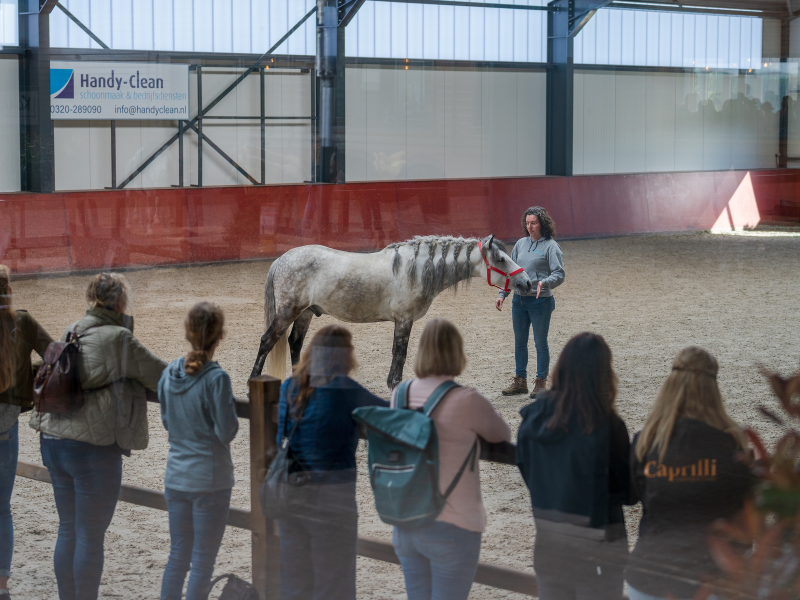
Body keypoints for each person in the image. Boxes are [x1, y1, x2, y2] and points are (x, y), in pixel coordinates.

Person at [30, 272, 166, 600]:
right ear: (120, 302)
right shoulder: (119, 338)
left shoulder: (73, 329)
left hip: (53, 439)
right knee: (90, 536)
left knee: (68, 529)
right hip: (91, 449)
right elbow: (162, 376)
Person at [391, 318, 512, 600]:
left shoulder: (400, 394)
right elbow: (502, 434)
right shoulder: (467, 400)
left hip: (407, 520)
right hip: (452, 525)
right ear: (457, 352)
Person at [626, 347, 754, 600]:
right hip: (712, 576)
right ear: (713, 388)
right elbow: (745, 513)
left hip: (650, 574)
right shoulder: (732, 445)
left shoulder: (646, 442)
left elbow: (634, 495)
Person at [516, 332, 632, 600]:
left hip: (550, 540)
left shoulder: (532, 420)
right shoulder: (607, 424)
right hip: (600, 546)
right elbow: (628, 492)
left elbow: (527, 470)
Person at [274, 324, 387, 600]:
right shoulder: (345, 389)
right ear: (344, 356)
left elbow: (280, 440)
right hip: (332, 497)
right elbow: (389, 415)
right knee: (334, 585)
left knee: (294, 583)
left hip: (290, 493)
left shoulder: (289, 386)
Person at [159, 302, 239, 600]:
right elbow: (226, 432)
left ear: (188, 333)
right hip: (209, 479)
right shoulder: (217, 378)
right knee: (202, 563)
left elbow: (167, 421)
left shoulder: (169, 372)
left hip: (176, 477)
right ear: (220, 336)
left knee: (177, 557)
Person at [0, 265, 53, 599]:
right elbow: (57, 356)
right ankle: (1, 586)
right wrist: (26, 373)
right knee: (2, 510)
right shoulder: (22, 322)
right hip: (4, 428)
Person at [497, 206, 565, 399]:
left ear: (542, 223)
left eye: (533, 223)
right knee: (520, 342)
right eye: (527, 223)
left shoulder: (551, 246)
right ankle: (520, 381)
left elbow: (559, 273)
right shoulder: (520, 244)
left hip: (540, 301)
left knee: (540, 343)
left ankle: (541, 382)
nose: (530, 227)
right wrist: (502, 294)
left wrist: (546, 282)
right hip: (519, 301)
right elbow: (512, 273)